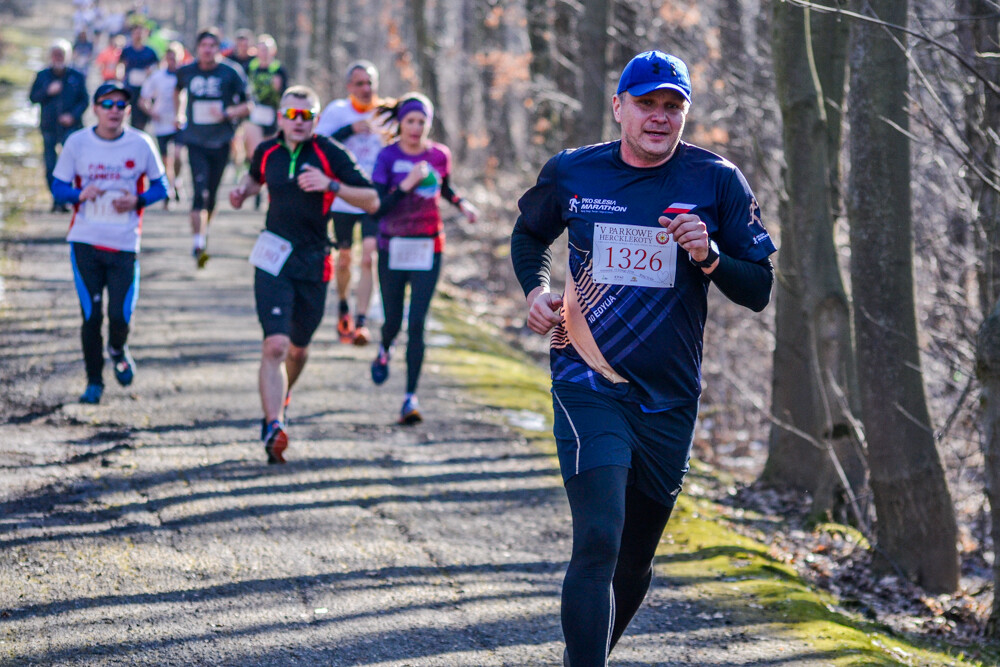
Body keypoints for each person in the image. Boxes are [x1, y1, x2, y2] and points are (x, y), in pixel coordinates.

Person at [509, 51, 776, 666]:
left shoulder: (716, 180)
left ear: (684, 113)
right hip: (587, 377)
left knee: (634, 557)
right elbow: (529, 234)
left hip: (671, 397)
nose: (660, 117)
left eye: (672, 106)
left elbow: (758, 289)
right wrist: (536, 291)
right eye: (648, 103)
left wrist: (709, 255)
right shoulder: (576, 173)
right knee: (599, 539)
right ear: (619, 107)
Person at [229, 86, 379, 464]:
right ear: (280, 117)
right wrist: (242, 192)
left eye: (307, 115)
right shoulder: (266, 150)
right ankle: (273, 424)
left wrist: (332, 185)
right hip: (272, 257)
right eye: (292, 115)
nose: (299, 122)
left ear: (316, 119)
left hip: (314, 262)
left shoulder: (329, 152)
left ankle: (283, 398)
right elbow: (254, 177)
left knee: (298, 349)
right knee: (274, 346)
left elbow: (372, 198)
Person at [50, 81, 169, 404]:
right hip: (85, 241)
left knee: (120, 316)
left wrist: (137, 201)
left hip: (125, 243)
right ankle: (93, 382)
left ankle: (118, 348)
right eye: (108, 104)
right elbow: (57, 188)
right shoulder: (77, 143)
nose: (114, 111)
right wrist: (79, 194)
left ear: (128, 111)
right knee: (91, 316)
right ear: (96, 108)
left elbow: (162, 187)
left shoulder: (141, 143)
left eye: (121, 105)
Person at [368, 93, 478, 424]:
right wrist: (407, 184)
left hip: (428, 246)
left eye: (422, 122)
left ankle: (409, 398)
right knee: (393, 321)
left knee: (417, 324)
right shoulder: (387, 156)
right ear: (401, 122)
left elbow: (445, 187)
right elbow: (378, 207)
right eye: (411, 121)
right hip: (392, 246)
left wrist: (462, 204)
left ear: (429, 124)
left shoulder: (439, 155)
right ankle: (385, 348)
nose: (416, 128)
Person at [315, 60, 388, 346]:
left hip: (373, 198)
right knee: (344, 259)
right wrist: (349, 130)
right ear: (349, 87)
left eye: (370, 83)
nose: (366, 88)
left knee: (369, 256)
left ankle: (361, 322)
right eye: (360, 83)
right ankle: (344, 304)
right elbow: (316, 144)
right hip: (343, 197)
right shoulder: (336, 112)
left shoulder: (385, 114)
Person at [174, 27, 250, 268]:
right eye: (203, 46)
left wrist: (228, 112)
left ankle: (204, 230)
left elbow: (249, 105)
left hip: (221, 141)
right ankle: (198, 242)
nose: (207, 50)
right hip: (195, 140)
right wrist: (178, 113)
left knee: (212, 195)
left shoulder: (231, 72)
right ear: (197, 49)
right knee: (200, 192)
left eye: (212, 46)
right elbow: (177, 90)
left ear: (218, 49)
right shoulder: (187, 70)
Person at [29, 39, 88, 213]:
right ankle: (55, 199)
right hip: (49, 127)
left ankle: (66, 198)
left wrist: (73, 116)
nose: (58, 58)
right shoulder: (42, 76)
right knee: (50, 165)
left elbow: (84, 101)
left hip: (71, 128)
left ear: (68, 56)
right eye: (55, 54)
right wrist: (48, 91)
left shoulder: (76, 76)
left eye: (61, 55)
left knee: (69, 164)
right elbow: (33, 97)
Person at [139, 41, 184, 208]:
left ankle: (176, 180)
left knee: (178, 155)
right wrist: (152, 112)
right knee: (166, 160)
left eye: (176, 58)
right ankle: (169, 191)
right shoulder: (157, 77)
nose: (173, 61)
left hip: (180, 122)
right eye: (170, 57)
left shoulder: (186, 74)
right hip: (162, 123)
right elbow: (143, 99)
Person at [242, 33, 287, 197]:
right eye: (261, 49)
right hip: (254, 113)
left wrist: (278, 89)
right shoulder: (250, 67)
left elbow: (285, 95)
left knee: (270, 152)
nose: (264, 53)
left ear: (273, 51)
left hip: (271, 114)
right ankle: (255, 183)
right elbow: (242, 89)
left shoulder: (278, 69)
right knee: (255, 151)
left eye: (267, 49)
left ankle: (269, 184)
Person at [119, 22, 159, 131]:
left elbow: (157, 67)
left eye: (141, 33)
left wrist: (151, 72)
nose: (139, 35)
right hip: (130, 88)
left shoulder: (151, 51)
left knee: (142, 118)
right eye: (136, 33)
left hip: (145, 88)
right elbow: (121, 65)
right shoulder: (127, 50)